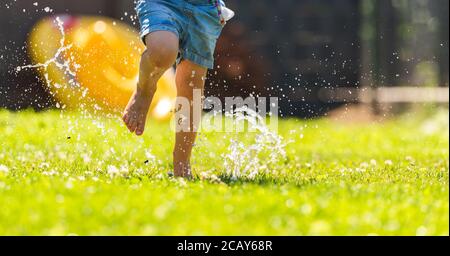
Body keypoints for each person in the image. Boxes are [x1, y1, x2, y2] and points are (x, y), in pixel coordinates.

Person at [122, 0, 233, 178]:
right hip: (162, 2)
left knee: (192, 85)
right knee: (162, 51)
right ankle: (144, 89)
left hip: (204, 8)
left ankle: (182, 162)